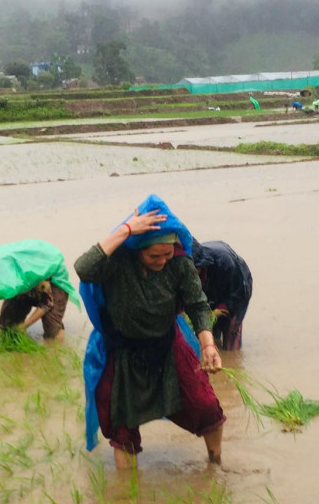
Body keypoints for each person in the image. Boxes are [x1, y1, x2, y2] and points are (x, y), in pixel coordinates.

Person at [76, 195, 225, 469]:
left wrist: (207, 345)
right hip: (122, 351)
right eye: (153, 255)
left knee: (204, 404)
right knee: (120, 425)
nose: (162, 261)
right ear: (136, 250)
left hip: (167, 345)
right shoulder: (118, 262)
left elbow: (198, 305)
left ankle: (216, 464)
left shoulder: (179, 264)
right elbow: (83, 268)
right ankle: (127, 495)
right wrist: (125, 230)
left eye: (167, 253)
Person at [0, 239, 76, 344]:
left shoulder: (33, 272)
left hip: (52, 282)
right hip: (23, 285)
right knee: (7, 325)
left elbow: (47, 304)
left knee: (52, 332)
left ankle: (56, 348)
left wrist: (25, 325)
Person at [191, 238, 252, 351]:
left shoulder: (225, 263)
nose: (190, 273)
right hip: (209, 290)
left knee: (231, 329)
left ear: (201, 265)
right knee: (211, 331)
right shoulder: (186, 273)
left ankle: (231, 357)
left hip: (238, 287)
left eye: (193, 270)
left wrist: (219, 311)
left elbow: (237, 295)